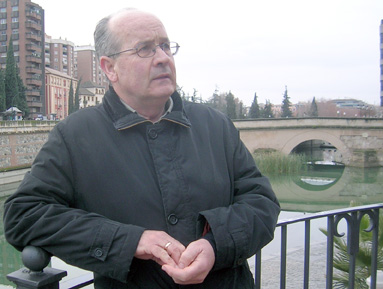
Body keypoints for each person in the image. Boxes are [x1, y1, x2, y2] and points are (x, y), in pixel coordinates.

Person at [3, 8, 280, 289]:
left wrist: (215, 245)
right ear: (109, 68)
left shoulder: (216, 125)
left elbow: (261, 202)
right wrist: (129, 240)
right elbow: (23, 215)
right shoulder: (74, 136)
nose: (162, 58)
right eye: (144, 49)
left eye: (165, 46)